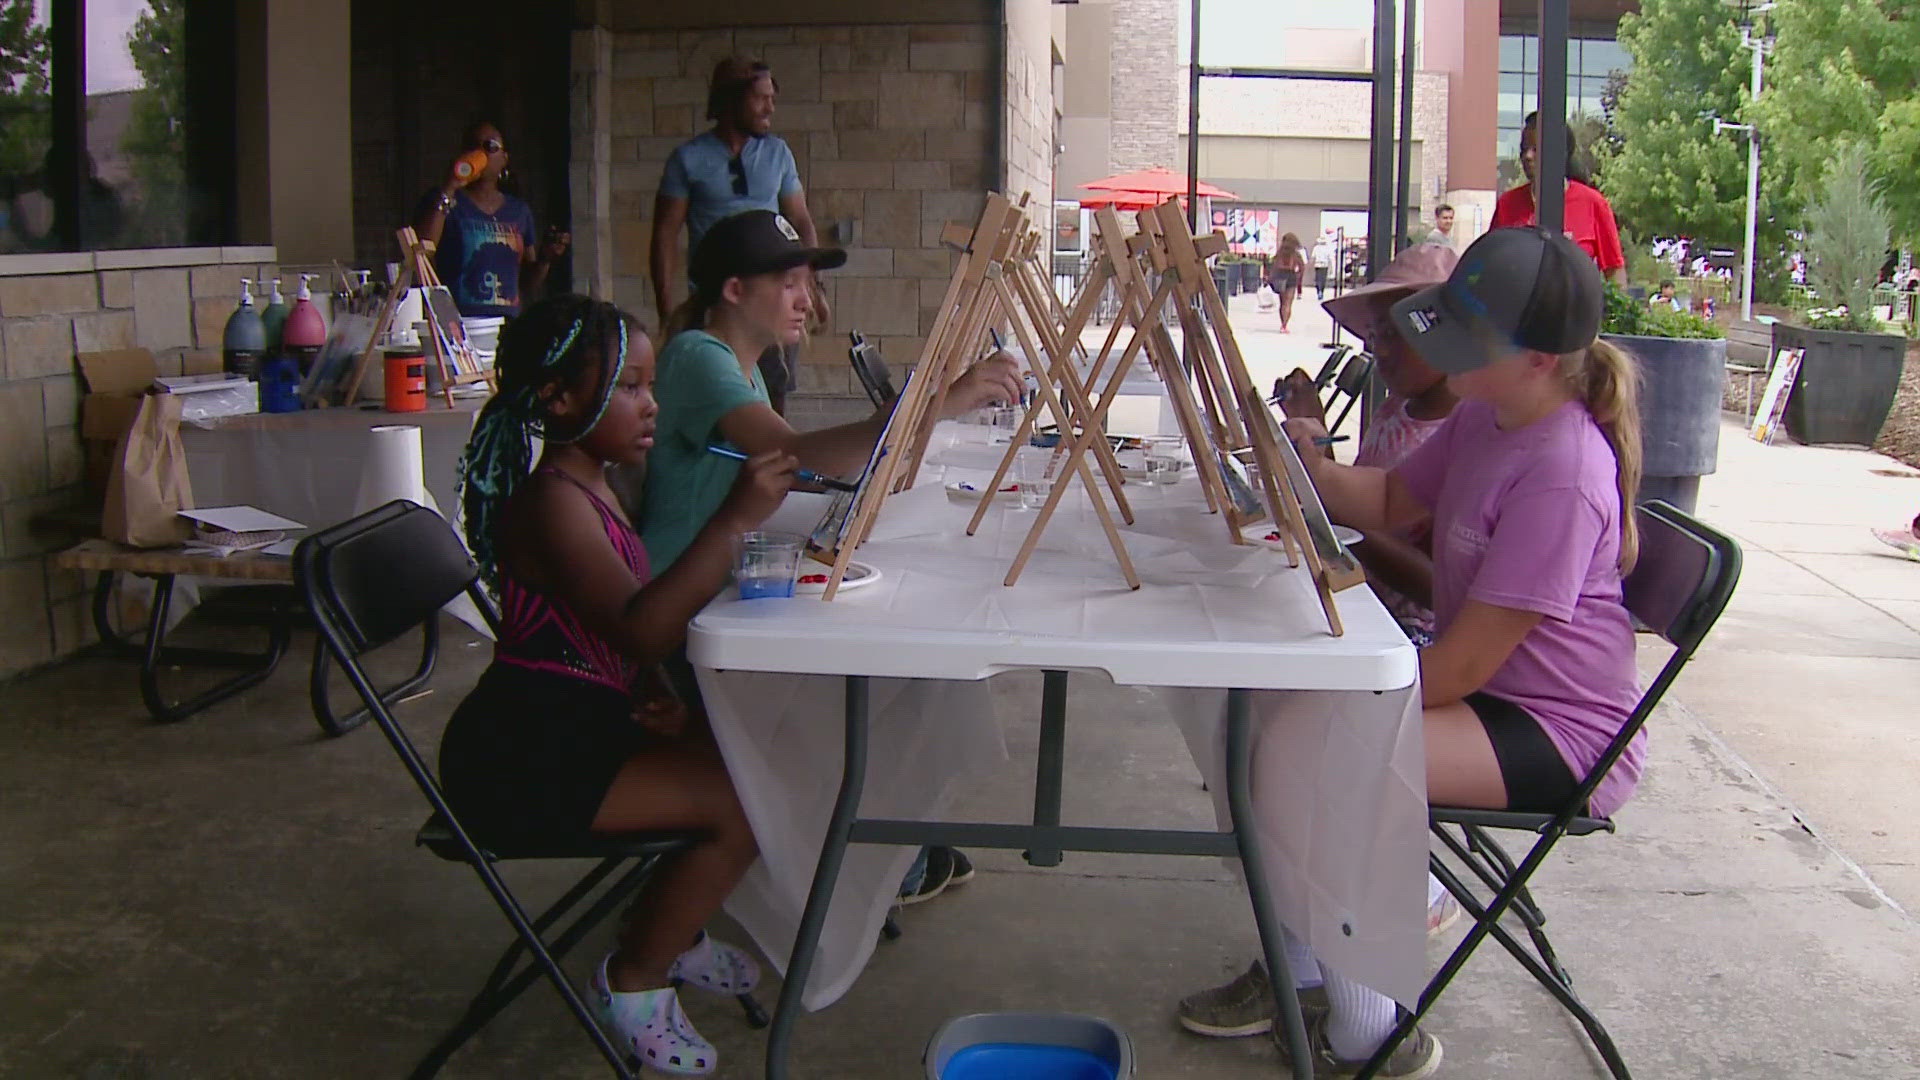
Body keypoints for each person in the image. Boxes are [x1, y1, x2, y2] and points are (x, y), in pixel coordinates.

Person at [1181, 227, 1644, 1077]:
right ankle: (1306, 969)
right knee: (1258, 726)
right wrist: (1297, 452)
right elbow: (1389, 497)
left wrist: (1329, 689)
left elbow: (1465, 668)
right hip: (1492, 694)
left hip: (1559, 728)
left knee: (1321, 755)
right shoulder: (1488, 415)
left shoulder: (1563, 470)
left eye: (1464, 338)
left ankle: (1371, 1031)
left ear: (1540, 359)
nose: (1434, 353)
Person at [443, 294, 799, 1074]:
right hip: (521, 761)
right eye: (632, 387)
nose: (652, 404)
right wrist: (735, 521)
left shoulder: (594, 483)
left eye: (649, 385)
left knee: (744, 750)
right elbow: (641, 624)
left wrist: (645, 685)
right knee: (743, 800)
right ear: (560, 400)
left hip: (579, 722)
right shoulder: (553, 505)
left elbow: (612, 631)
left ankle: (670, 927)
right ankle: (634, 973)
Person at [644, 208, 1024, 904]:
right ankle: (870, 851)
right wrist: (942, 401)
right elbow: (791, 459)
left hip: (721, 590)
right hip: (682, 612)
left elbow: (800, 465)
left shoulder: (746, 370)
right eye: (789, 283)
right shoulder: (699, 356)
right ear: (733, 290)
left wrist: (922, 413)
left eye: (807, 284)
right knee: (869, 679)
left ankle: (887, 839)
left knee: (892, 652)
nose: (807, 302)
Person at [653, 56, 829, 416]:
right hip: (719, 301)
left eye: (772, 99)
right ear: (731, 101)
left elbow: (800, 219)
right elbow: (665, 234)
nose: (770, 107)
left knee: (774, 390)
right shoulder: (688, 159)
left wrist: (811, 285)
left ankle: (771, 458)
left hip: (772, 294)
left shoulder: (778, 153)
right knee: (715, 393)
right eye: (761, 98)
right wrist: (666, 309)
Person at [414, 122, 569, 318]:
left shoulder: (518, 211)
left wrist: (545, 259)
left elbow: (526, 284)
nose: (481, 153)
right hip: (460, 327)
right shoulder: (446, 202)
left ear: (504, 159)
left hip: (507, 326)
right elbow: (421, 251)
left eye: (490, 147)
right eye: (473, 146)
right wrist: (449, 188)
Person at [1490, 112, 1626, 287]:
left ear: (1560, 153)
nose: (1527, 156)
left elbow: (1614, 271)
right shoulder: (1507, 204)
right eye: (1524, 149)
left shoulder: (1593, 203)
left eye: (1536, 149)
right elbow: (1491, 264)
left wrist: (1615, 311)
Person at [1268, 232, 1307, 333]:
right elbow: (1302, 267)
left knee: (1282, 303)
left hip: (1280, 275)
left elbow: (1273, 266)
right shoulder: (1296, 254)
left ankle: (1282, 323)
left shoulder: (1279, 253)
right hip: (1291, 276)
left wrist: (1270, 278)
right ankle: (1284, 325)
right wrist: (1298, 277)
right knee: (1288, 303)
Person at [1311, 234, 1335, 299]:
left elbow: (1313, 257)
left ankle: (1319, 291)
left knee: (1318, 279)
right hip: (1325, 265)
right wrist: (1331, 268)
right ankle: (1321, 291)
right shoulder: (1328, 248)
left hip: (1317, 265)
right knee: (1323, 279)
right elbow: (1330, 258)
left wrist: (1311, 265)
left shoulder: (1316, 248)